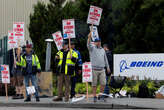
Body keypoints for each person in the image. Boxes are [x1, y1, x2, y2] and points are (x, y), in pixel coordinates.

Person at [87, 30, 110, 102]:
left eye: (99, 41)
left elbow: (105, 59)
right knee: (94, 84)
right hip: (94, 69)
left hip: (102, 69)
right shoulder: (92, 48)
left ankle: (100, 95)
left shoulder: (103, 50)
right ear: (94, 42)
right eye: (97, 41)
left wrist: (108, 67)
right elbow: (88, 44)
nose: (98, 43)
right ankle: (94, 96)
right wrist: (89, 38)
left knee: (103, 83)